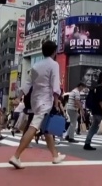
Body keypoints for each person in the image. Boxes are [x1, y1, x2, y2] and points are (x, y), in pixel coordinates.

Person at [9, 40, 66, 169]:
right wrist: (57, 101)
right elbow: (55, 85)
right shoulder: (54, 65)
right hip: (46, 100)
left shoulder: (36, 65)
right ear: (54, 51)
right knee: (34, 127)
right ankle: (16, 156)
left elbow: (27, 84)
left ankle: (55, 156)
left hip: (35, 99)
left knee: (46, 128)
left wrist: (18, 98)